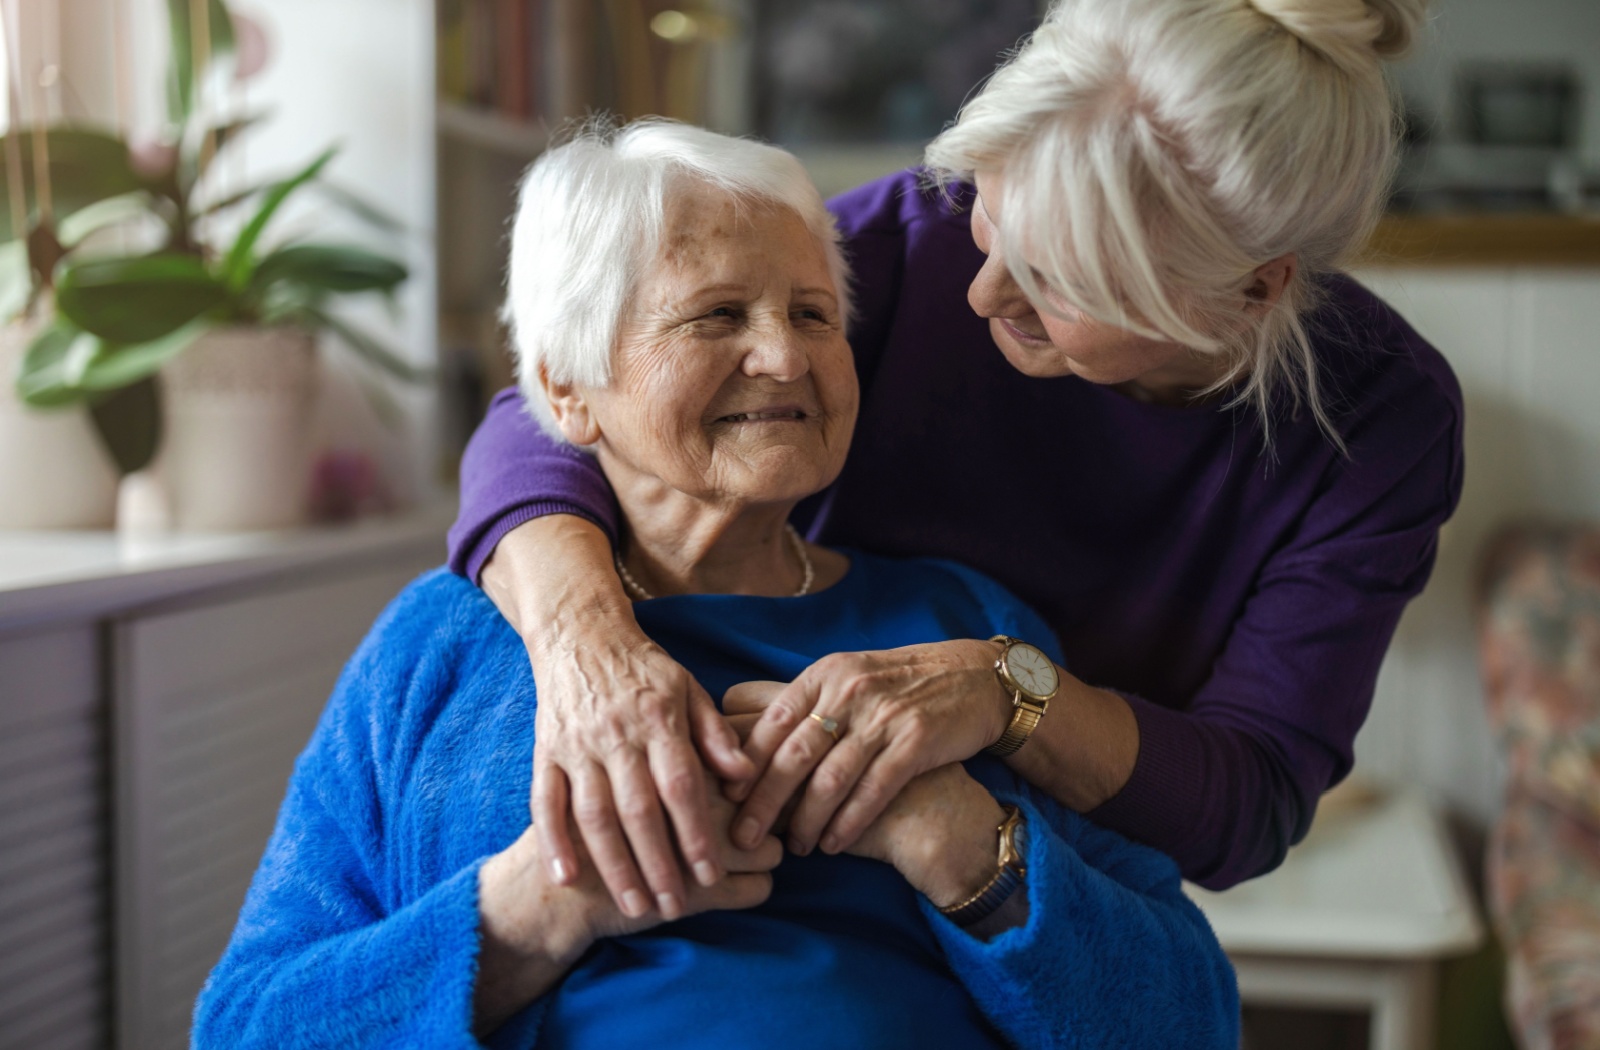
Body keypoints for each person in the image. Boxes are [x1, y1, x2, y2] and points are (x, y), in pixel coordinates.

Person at [193, 122, 1239, 1048]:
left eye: (815, 314)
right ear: (565, 385)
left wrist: (952, 836)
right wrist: (544, 905)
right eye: (716, 316)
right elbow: (247, 1027)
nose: (785, 357)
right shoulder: (440, 644)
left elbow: (1190, 1019)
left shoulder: (968, 631)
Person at [447, 0, 1464, 916]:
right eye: (989, 217)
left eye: (1057, 280)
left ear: (1252, 292)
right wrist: (591, 653)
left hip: (1041, 880)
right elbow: (548, 408)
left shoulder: (1378, 418)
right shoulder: (911, 238)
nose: (980, 296)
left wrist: (1011, 692)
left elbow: (1250, 801)